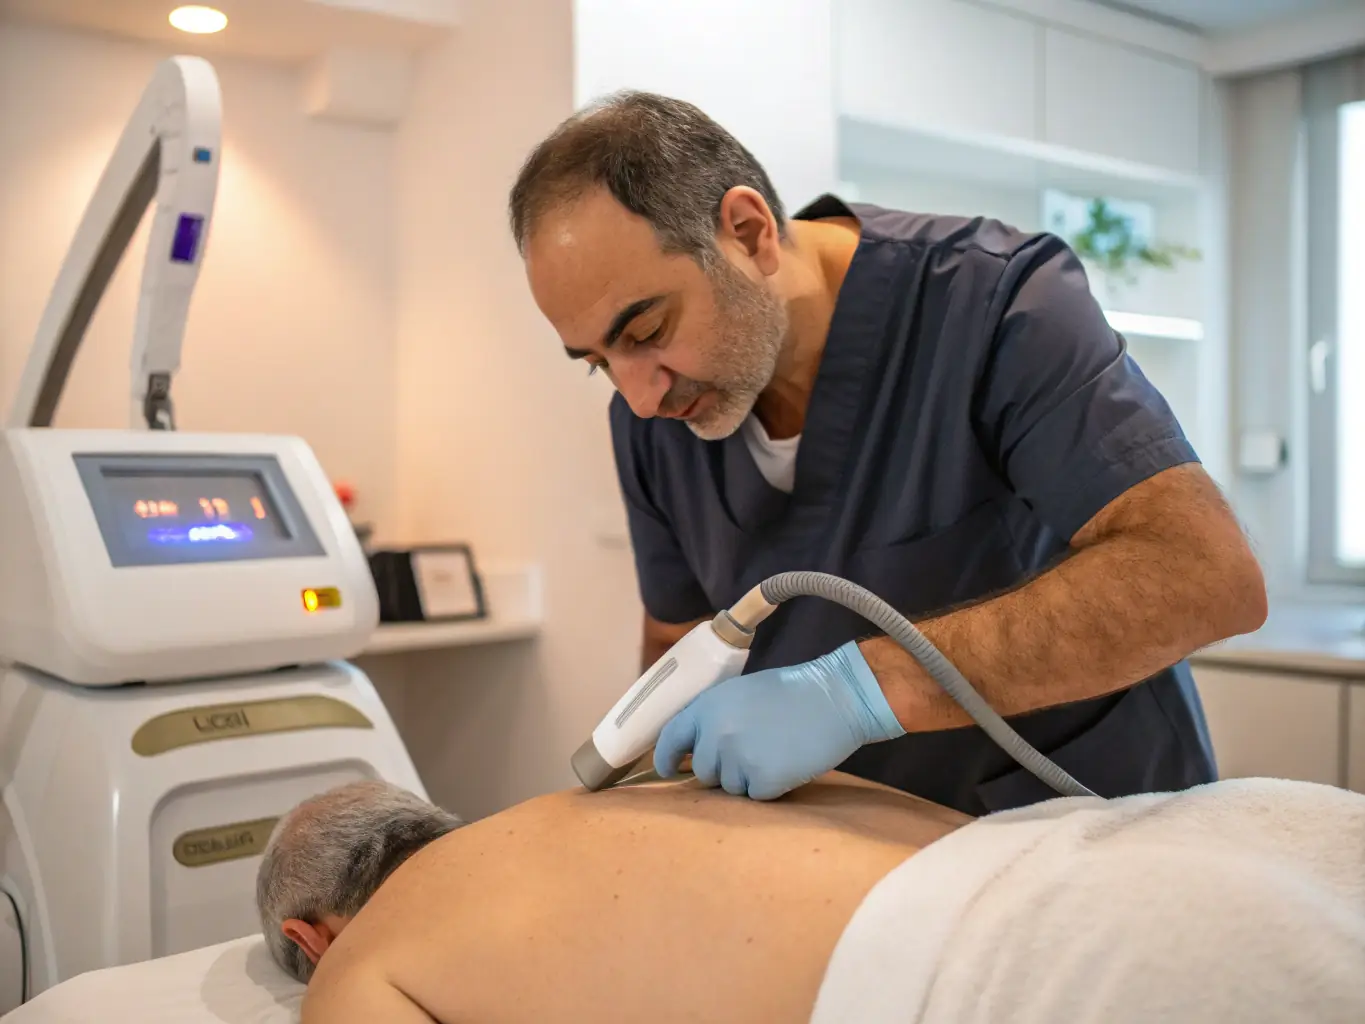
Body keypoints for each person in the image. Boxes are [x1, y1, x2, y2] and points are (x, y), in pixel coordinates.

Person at [506, 91, 1269, 814]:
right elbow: (677, 645)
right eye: (598, 361)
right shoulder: (650, 423)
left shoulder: (995, 304)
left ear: (746, 233)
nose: (640, 396)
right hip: (859, 874)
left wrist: (858, 691)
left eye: (646, 333)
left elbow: (1202, 574)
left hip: (1086, 834)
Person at [257, 775, 1365, 1023]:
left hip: (1051, 972)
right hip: (1210, 833)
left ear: (311, 937)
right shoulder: (598, 798)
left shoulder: (366, 957)